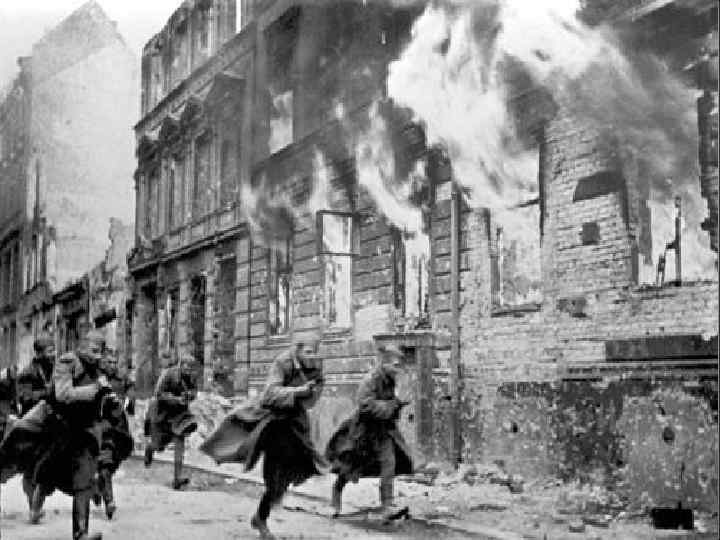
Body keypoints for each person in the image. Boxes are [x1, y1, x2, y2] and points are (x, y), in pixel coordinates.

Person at [200, 338, 324, 540]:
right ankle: (261, 518)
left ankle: (263, 512)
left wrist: (310, 392)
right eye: (308, 352)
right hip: (273, 423)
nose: (312, 356)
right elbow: (269, 395)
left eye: (314, 352)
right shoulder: (283, 362)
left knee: (297, 469)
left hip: (295, 425)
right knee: (275, 475)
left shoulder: (315, 368)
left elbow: (311, 400)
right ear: (297, 350)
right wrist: (298, 391)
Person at [31, 330, 119, 540]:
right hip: (61, 430)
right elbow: (63, 394)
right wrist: (95, 389)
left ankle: (80, 533)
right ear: (83, 347)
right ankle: (35, 507)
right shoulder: (67, 362)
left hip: (84, 432)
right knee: (48, 473)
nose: (98, 356)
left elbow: (101, 393)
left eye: (101, 352)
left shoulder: (96, 368)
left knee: (83, 480)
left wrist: (108, 398)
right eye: (94, 351)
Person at [325, 344, 413, 522]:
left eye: (399, 366)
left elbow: (390, 407)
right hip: (362, 432)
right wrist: (396, 403)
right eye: (395, 365)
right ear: (384, 364)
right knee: (350, 467)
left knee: (389, 463)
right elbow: (366, 406)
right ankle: (336, 495)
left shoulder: (390, 380)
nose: (398, 370)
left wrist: (399, 404)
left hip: (382, 431)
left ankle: (387, 506)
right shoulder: (370, 380)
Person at [16, 332, 56, 523]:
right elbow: (25, 398)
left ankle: (36, 505)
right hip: (31, 427)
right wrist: (47, 393)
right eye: (49, 351)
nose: (53, 354)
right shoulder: (27, 373)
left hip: (50, 426)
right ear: (39, 354)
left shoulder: (55, 371)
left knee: (47, 466)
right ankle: (34, 507)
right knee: (31, 467)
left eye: (54, 350)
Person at [145, 352, 198, 489]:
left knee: (180, 441)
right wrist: (176, 399)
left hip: (178, 415)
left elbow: (194, 391)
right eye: (186, 367)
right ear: (180, 365)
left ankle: (177, 479)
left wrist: (189, 396)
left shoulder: (191, 377)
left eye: (191, 368)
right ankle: (150, 449)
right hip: (162, 414)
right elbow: (158, 393)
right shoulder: (168, 374)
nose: (188, 370)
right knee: (159, 445)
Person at [94, 347, 135, 519]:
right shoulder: (96, 378)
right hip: (102, 427)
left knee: (114, 462)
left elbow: (130, 392)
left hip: (120, 428)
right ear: (102, 362)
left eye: (114, 362)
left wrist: (129, 399)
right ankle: (109, 501)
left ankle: (98, 486)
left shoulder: (122, 378)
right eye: (108, 362)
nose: (112, 365)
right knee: (105, 462)